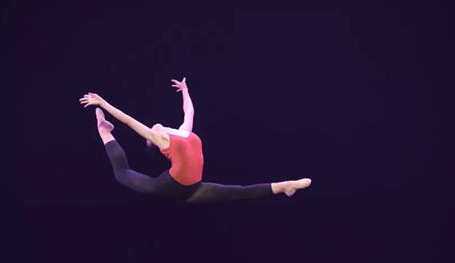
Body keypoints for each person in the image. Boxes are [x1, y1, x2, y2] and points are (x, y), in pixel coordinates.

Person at [79, 77, 311, 204]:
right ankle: (104, 131)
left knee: (238, 192)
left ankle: (285, 186)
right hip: (170, 186)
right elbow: (129, 121)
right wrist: (103, 103)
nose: (152, 127)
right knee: (122, 174)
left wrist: (185, 91)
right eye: (150, 134)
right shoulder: (162, 139)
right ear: (156, 143)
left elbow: (189, 112)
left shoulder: (184, 131)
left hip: (192, 189)